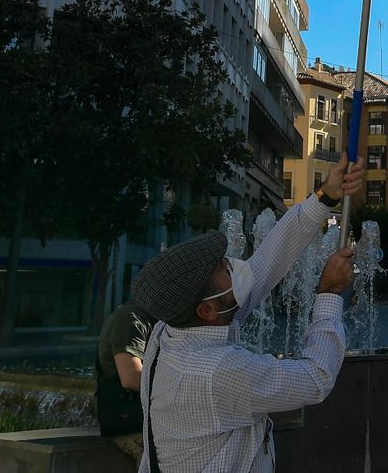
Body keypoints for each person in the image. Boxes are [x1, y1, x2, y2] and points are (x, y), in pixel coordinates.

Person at [133, 157, 364, 472]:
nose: (235, 264)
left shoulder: (171, 331)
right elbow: (316, 378)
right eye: (224, 268)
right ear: (207, 309)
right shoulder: (218, 372)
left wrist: (325, 196)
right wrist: (329, 294)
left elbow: (269, 261)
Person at [95, 300, 155, 459]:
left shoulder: (158, 321)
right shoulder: (130, 319)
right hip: (128, 423)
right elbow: (132, 378)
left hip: (148, 421)